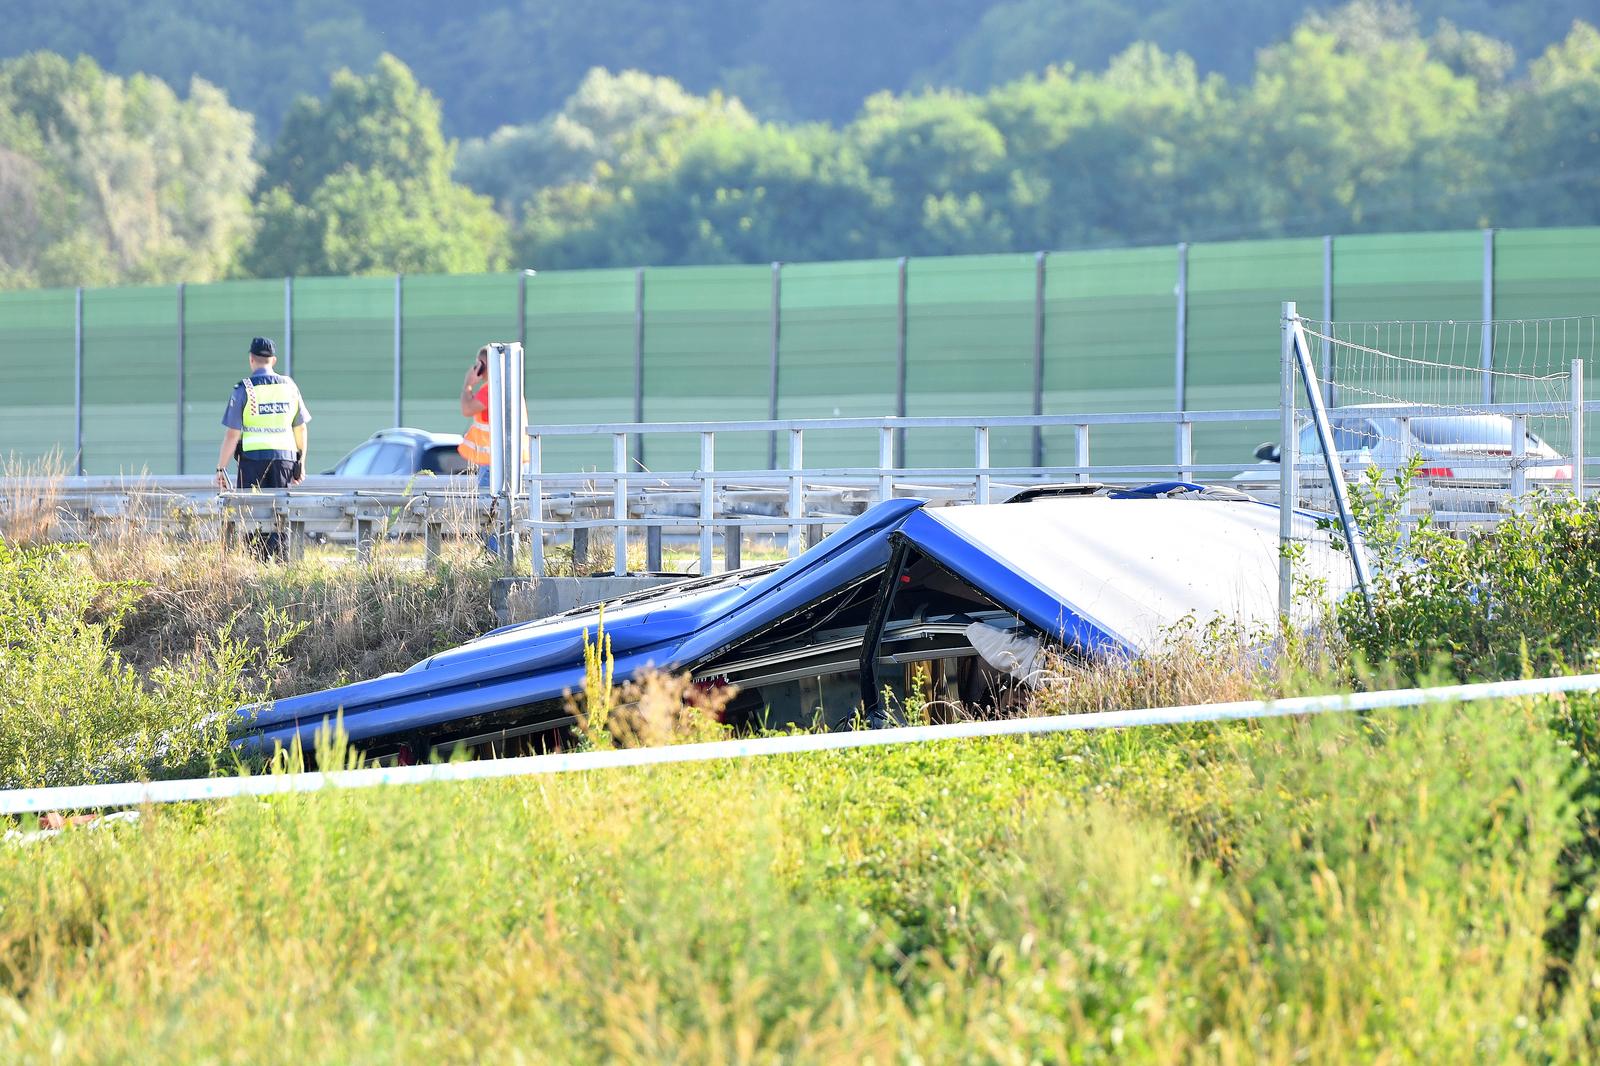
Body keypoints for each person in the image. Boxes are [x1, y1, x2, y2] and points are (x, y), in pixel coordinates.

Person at [215, 336, 310, 560]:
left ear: (251, 359)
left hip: (252, 461)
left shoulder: (243, 389)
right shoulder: (290, 387)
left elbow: (232, 435)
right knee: (281, 516)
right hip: (285, 460)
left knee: (252, 519)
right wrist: (301, 463)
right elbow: (300, 429)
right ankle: (281, 564)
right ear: (273, 360)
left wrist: (221, 468)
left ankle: (256, 564)